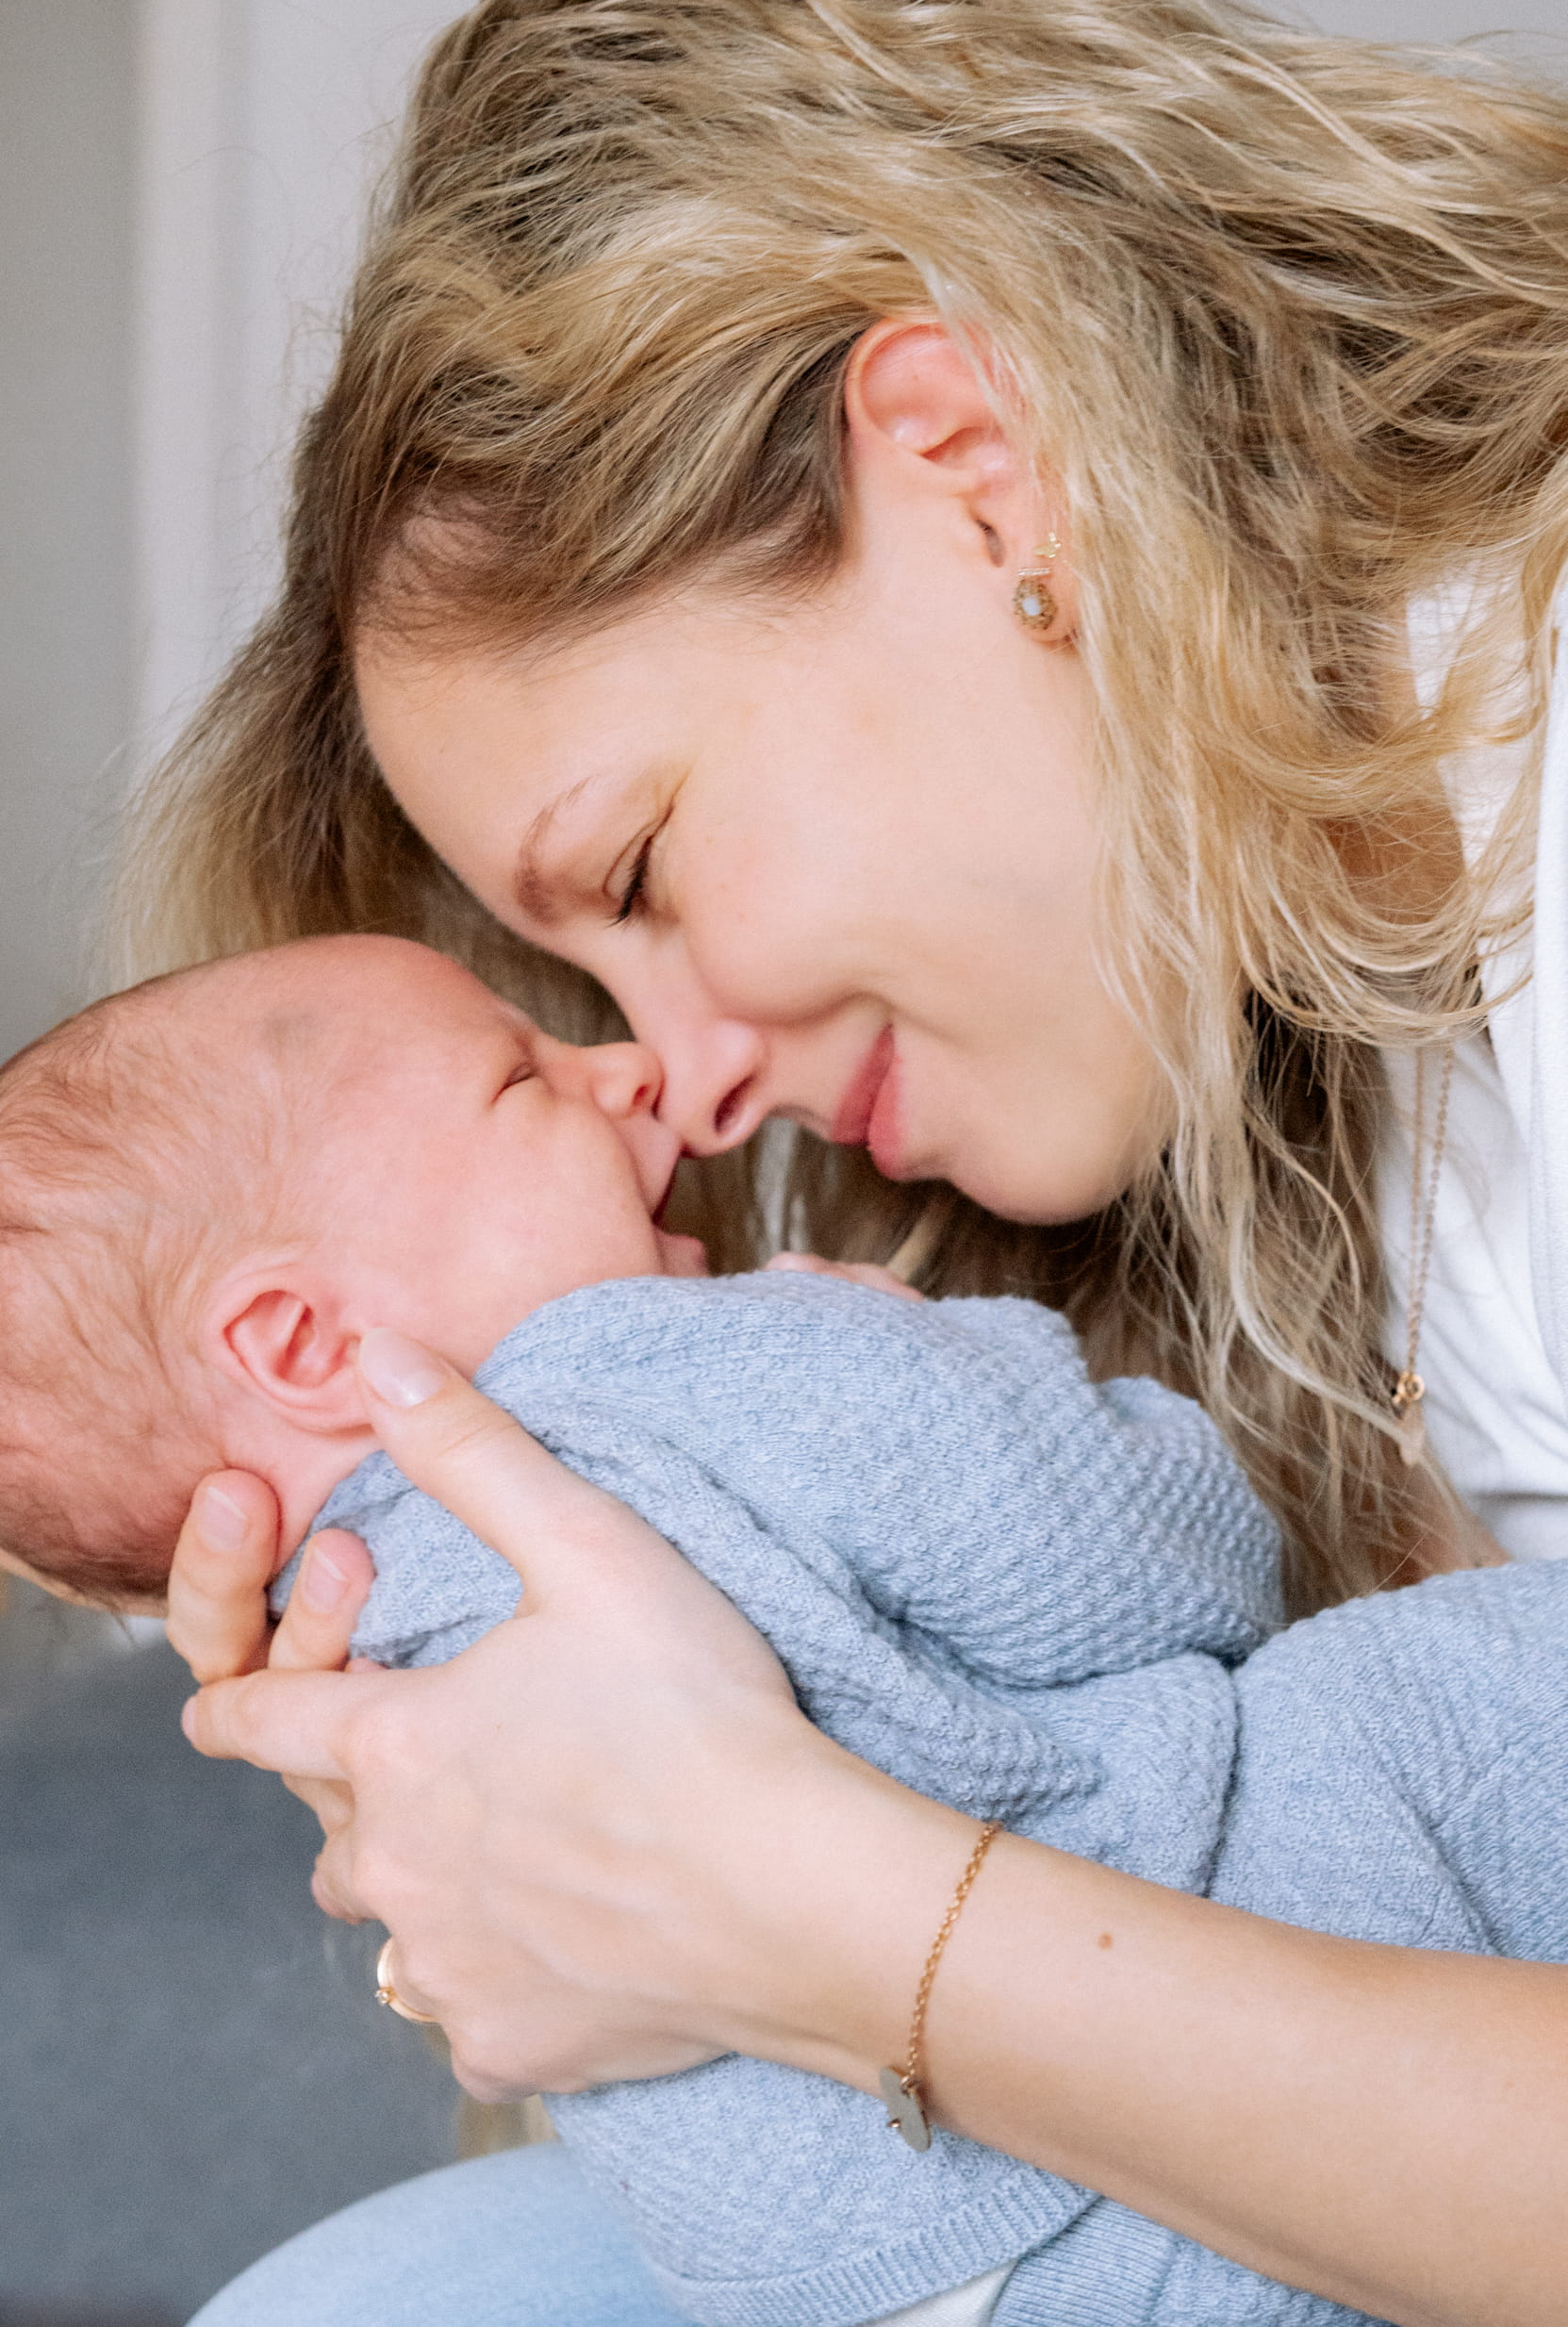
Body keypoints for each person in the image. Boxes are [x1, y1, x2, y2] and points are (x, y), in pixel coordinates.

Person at [105, 0, 1568, 2320]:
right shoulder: (1300, 1058)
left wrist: (801, 1910)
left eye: (649, 871)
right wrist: (507, 1740)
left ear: (977, 472)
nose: (671, 1083)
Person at [5, 942, 1561, 2327]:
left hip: (848, 2268)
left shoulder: (350, 1650)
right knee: (1431, 1697)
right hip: (1144, 2173)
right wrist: (924, 1355)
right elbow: (1159, 1564)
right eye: (520, 1076)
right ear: (306, 1341)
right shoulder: (647, 1374)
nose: (629, 1068)